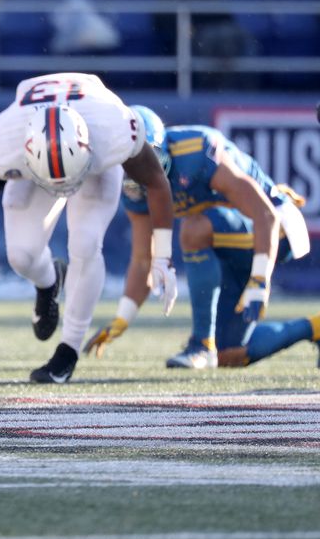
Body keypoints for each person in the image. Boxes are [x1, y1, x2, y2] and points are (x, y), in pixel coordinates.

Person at [0, 75, 178, 384]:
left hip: (94, 162)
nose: (66, 190)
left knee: (86, 243)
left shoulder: (114, 129)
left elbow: (157, 182)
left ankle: (68, 350)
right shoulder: (1, 141)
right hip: (35, 169)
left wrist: (164, 258)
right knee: (21, 256)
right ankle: (49, 281)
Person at [86, 119, 318, 369]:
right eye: (132, 163)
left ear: (162, 149)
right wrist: (123, 318)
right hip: (229, 245)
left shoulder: (195, 151)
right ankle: (314, 327)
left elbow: (265, 215)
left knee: (194, 229)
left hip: (275, 231)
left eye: (147, 158)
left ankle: (201, 345)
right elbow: (143, 259)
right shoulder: (134, 185)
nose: (141, 171)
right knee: (230, 353)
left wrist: (260, 280)